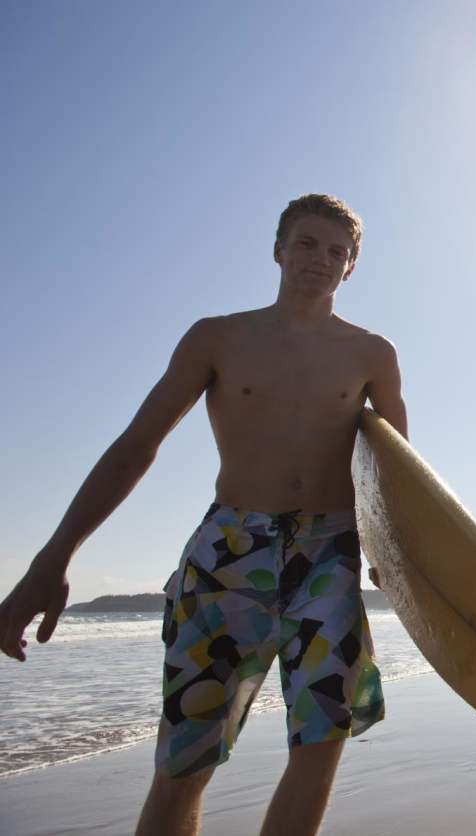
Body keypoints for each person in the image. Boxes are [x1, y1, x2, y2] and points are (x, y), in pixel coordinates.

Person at [0, 194, 407, 836]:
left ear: (351, 267)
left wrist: (397, 565)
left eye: (337, 252)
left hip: (330, 553)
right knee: (187, 756)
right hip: (229, 551)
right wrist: (53, 559)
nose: (320, 260)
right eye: (306, 244)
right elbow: (137, 445)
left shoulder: (372, 354)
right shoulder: (218, 336)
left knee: (322, 740)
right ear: (278, 249)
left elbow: (394, 476)